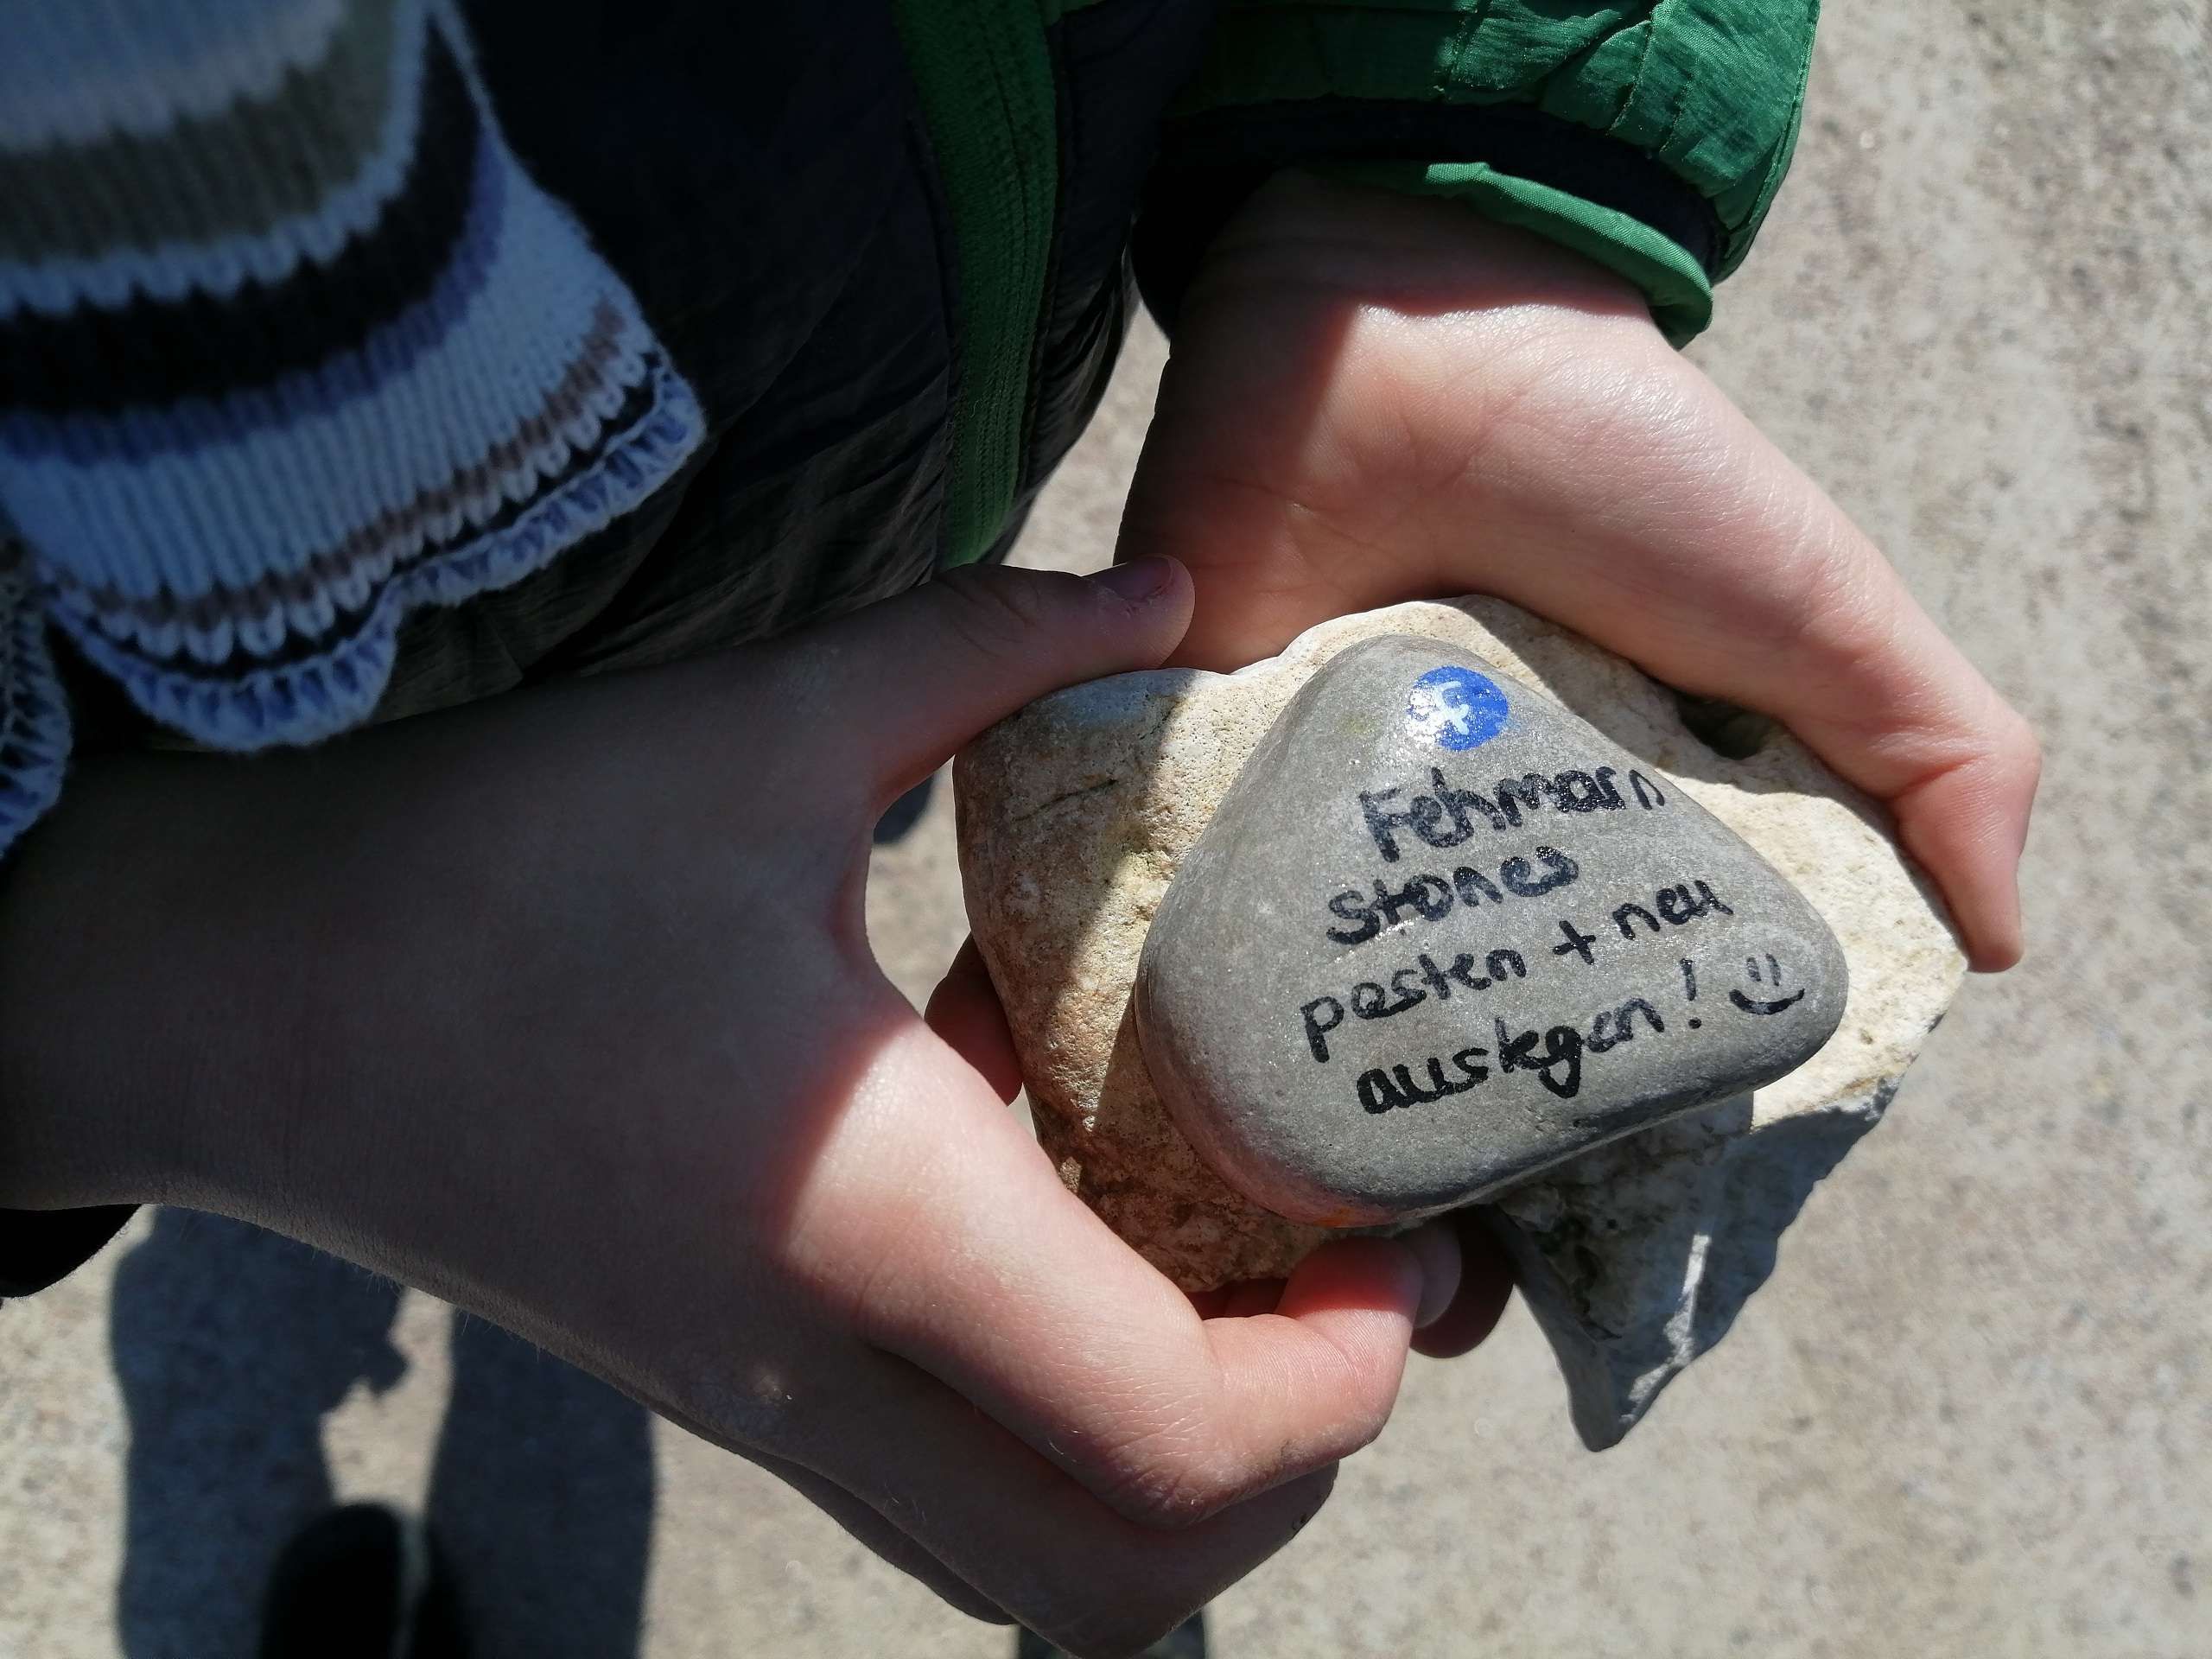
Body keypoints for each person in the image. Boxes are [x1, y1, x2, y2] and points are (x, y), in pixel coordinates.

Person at [0, 3, 2037, 1655]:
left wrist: (1446, 197)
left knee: (874, 670)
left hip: (852, 402)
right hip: (165, 697)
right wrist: (155, 993)